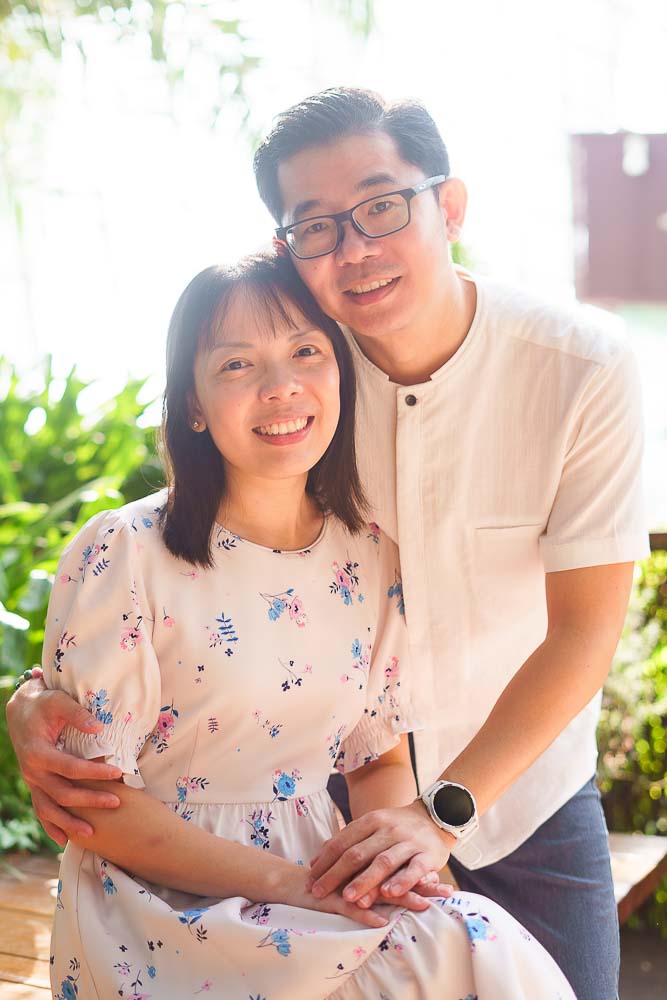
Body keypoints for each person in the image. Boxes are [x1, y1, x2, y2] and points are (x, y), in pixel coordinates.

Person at [6, 88, 647, 1000]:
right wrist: (39, 697)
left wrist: (441, 817)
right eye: (316, 226)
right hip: (315, 823)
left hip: (514, 792)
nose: (355, 249)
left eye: (383, 206)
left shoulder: (581, 366)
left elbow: (584, 632)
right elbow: (154, 581)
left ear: (449, 206)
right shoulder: (303, 349)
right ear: (286, 247)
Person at [29, 251, 574, 999]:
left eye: (305, 352)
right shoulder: (123, 552)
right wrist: (293, 887)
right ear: (192, 403)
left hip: (321, 881)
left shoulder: (371, 556)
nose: (279, 386)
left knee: (472, 946)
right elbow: (97, 804)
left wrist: (390, 875)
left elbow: (376, 760)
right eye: (236, 366)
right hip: (156, 902)